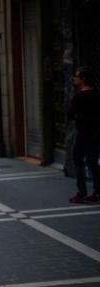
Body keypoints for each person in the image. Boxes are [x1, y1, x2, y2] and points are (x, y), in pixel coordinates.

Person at [68, 67, 100, 203]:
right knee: (93, 162)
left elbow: (70, 114)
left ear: (83, 79)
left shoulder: (78, 96)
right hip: (96, 133)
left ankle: (81, 192)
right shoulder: (97, 94)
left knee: (78, 160)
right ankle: (97, 192)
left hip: (82, 133)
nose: (74, 78)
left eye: (76, 76)